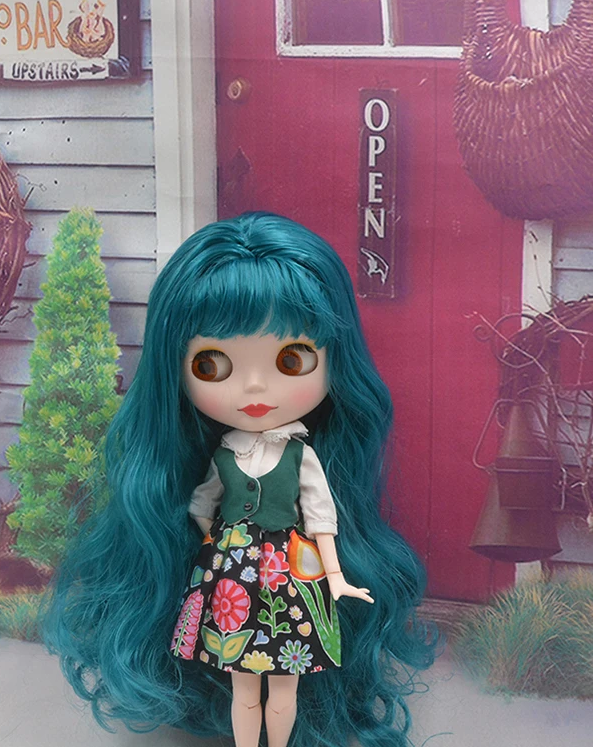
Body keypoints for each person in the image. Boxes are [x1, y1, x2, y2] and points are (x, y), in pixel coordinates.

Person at [41, 212, 437, 746]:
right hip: (230, 581)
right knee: (245, 685)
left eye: (291, 360)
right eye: (212, 365)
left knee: (286, 682)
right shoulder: (222, 455)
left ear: (335, 362)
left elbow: (322, 516)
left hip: (293, 579)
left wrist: (335, 576)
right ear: (174, 369)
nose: (254, 387)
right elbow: (201, 503)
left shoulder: (301, 455)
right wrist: (211, 545)